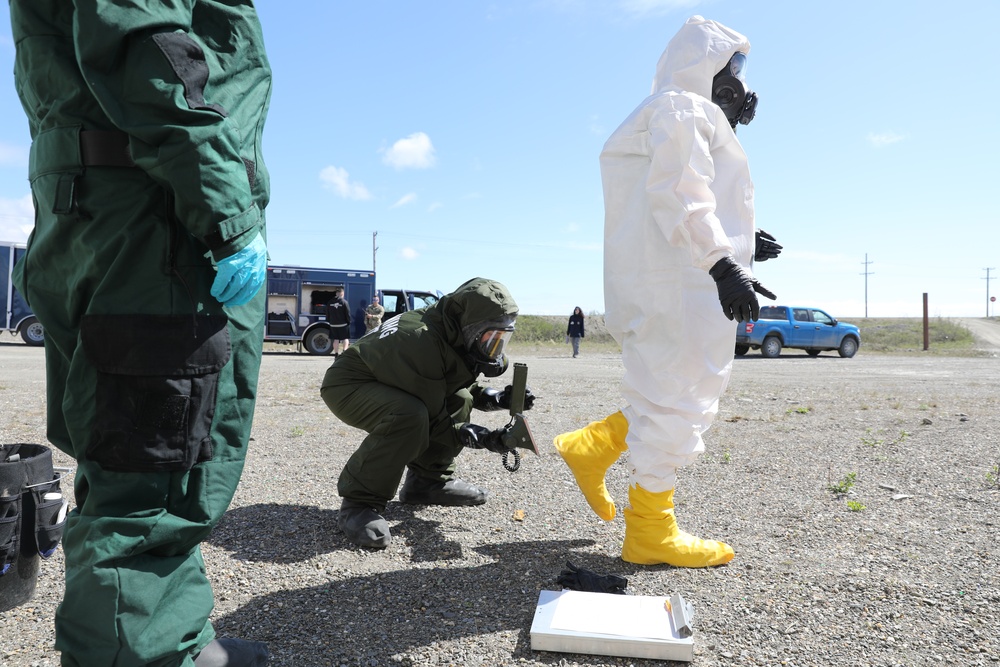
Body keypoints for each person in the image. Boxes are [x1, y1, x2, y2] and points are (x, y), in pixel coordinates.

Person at [8, 2, 272, 665]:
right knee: (148, 476)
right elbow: (148, 44)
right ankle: (148, 655)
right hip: (157, 221)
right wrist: (229, 214)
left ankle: (169, 633)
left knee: (124, 455)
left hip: (108, 206)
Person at [553, 16, 780, 569]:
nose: (739, 83)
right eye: (731, 69)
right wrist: (723, 262)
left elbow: (688, 188)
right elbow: (680, 192)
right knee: (682, 399)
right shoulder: (681, 108)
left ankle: (596, 445)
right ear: (703, 65)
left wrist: (742, 242)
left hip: (668, 278)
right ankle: (651, 530)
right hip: (680, 284)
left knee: (669, 394)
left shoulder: (673, 112)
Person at [321, 277, 534, 548]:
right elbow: (435, 419)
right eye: (490, 337)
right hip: (349, 384)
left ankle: (428, 481)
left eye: (501, 338)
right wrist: (483, 438)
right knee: (409, 415)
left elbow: (454, 385)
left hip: (395, 377)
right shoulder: (422, 338)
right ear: (471, 326)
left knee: (460, 399)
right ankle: (358, 503)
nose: (495, 347)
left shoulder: (451, 329)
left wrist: (498, 398)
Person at [328, 287, 352, 356]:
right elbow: (348, 314)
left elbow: (327, 313)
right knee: (345, 338)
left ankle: (336, 354)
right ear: (342, 293)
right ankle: (344, 353)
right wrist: (348, 322)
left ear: (336, 293)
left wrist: (330, 321)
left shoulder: (329, 302)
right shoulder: (344, 302)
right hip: (343, 324)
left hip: (333, 324)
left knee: (336, 339)